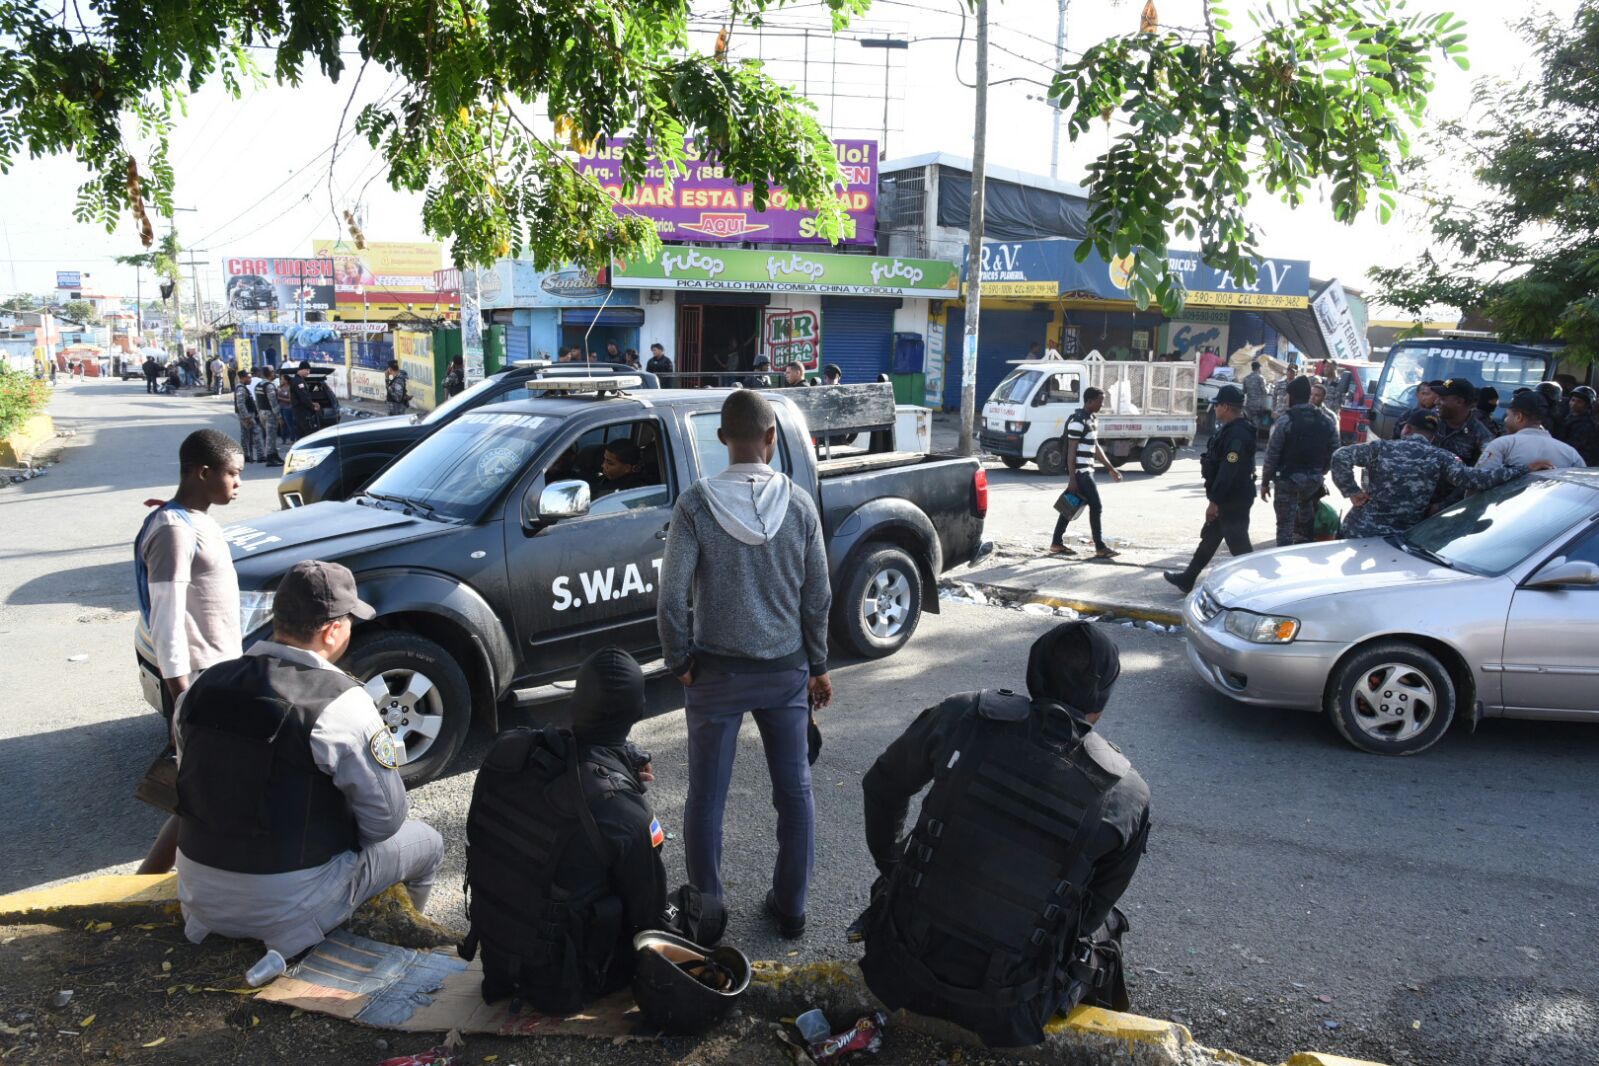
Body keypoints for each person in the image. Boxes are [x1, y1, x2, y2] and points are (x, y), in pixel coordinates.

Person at [857, 622, 1151, 1048]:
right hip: (1009, 1009)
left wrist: (892, 863)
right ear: (1101, 702)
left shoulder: (962, 715)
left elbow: (882, 787)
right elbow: (1087, 916)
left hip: (898, 967)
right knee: (1108, 927)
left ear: (1033, 672)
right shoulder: (1127, 793)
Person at [173, 560, 444, 959]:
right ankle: (396, 947)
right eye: (351, 622)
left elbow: (194, 776)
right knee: (428, 842)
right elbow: (385, 821)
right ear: (333, 630)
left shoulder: (202, 687)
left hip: (198, 895)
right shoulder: (341, 704)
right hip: (288, 908)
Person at [656, 389, 832, 939]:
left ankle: (707, 915)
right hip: (785, 671)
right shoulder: (800, 504)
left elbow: (670, 598)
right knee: (795, 791)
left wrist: (679, 660)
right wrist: (819, 664)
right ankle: (792, 908)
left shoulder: (695, 504)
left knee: (706, 795)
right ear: (772, 438)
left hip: (714, 675)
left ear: (722, 438)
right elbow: (818, 596)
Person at [461, 648, 670, 1010]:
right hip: (563, 983)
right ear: (640, 711)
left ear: (576, 700)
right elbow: (648, 915)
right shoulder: (622, 810)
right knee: (706, 913)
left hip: (495, 955)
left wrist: (617, 762)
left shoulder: (507, 753)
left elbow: (476, 833)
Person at [134, 429, 245, 875]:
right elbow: (166, 616)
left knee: (204, 792)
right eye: (233, 474)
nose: (239, 483)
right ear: (203, 472)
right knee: (208, 790)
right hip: (198, 679)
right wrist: (182, 694)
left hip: (218, 673)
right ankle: (165, 880)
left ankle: (163, 878)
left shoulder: (198, 520)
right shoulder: (174, 530)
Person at [1332, 409, 1546, 538]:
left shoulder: (1380, 448)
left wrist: (1352, 491)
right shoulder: (1441, 456)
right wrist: (1524, 469)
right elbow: (1474, 479)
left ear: (1406, 429)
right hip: (1401, 537)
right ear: (1433, 437)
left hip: (1361, 530)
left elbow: (1341, 455)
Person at [1164, 384, 1255, 594]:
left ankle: (1257, 587)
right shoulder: (1231, 430)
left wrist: (1215, 502)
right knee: (1211, 537)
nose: (1214, 409)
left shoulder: (1238, 434)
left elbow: (1228, 470)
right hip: (1228, 496)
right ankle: (1188, 578)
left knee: (1239, 546)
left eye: (1217, 405)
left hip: (1233, 500)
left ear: (1225, 406)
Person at [1260, 375, 1336, 547]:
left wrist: (1265, 482)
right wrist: (1321, 471)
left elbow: (1272, 454)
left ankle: (1286, 558)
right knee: (1306, 523)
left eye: (1287, 395)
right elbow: (1335, 450)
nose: (1285, 399)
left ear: (1292, 396)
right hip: (1313, 483)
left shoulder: (1285, 421)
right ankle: (1304, 551)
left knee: (1285, 527)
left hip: (1288, 481)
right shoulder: (1326, 420)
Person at [1049, 387, 1123, 559]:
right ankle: (1100, 547)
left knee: (1070, 505)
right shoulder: (1078, 421)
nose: (1102, 404)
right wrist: (1072, 479)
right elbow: (1071, 451)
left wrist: (1110, 468)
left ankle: (1056, 543)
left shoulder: (1091, 420)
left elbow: (1095, 448)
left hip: (1087, 469)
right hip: (1081, 472)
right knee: (1096, 506)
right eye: (1100, 400)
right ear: (1089, 401)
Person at [1476, 392, 1584, 471]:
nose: (1506, 420)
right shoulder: (1571, 453)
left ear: (1519, 417)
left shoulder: (1503, 444)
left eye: (1508, 415)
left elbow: (1478, 483)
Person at [232, 368, 266, 464]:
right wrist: (247, 417)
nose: (250, 379)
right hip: (246, 415)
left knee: (245, 435)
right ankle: (261, 455)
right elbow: (240, 404)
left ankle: (245, 455)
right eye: (248, 377)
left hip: (246, 414)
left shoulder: (243, 387)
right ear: (242, 378)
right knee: (256, 432)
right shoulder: (241, 389)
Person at [1559, 386, 1597, 465]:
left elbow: (1573, 446)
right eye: (1573, 400)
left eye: (1579, 402)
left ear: (1587, 405)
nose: (1574, 404)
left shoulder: (1587, 424)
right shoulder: (1567, 417)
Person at [254, 368, 284, 465]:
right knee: (271, 436)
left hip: (261, 412)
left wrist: (258, 413)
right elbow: (273, 402)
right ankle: (270, 458)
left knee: (270, 435)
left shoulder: (258, 385)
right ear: (270, 374)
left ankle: (275, 455)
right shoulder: (269, 386)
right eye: (273, 372)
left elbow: (257, 402)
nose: (274, 374)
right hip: (270, 413)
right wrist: (279, 416)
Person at [290, 361, 322, 439]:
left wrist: (312, 403)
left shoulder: (297, 380)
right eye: (307, 370)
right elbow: (303, 397)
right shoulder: (298, 381)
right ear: (301, 369)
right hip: (302, 412)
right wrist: (312, 406)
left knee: (300, 434)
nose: (309, 372)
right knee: (309, 434)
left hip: (299, 412)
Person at [1241, 360, 1269, 432]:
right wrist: (1268, 387)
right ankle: (1253, 440)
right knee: (1256, 425)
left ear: (1252, 368)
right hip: (1257, 406)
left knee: (1248, 423)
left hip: (1249, 405)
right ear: (1258, 368)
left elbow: (1244, 391)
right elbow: (1265, 391)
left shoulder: (1246, 378)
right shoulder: (1260, 378)